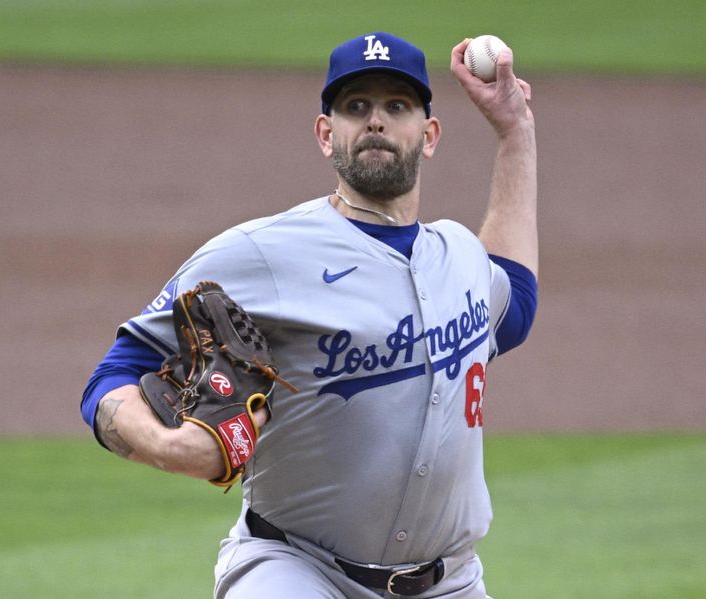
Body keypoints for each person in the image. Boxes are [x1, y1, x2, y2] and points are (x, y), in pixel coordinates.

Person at [82, 31, 537, 598]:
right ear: (327, 135)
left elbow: (515, 306)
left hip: (451, 582)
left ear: (430, 134)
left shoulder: (460, 255)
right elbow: (113, 375)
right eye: (356, 107)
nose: (376, 121)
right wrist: (168, 447)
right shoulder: (259, 251)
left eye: (397, 106)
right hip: (295, 570)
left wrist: (515, 132)